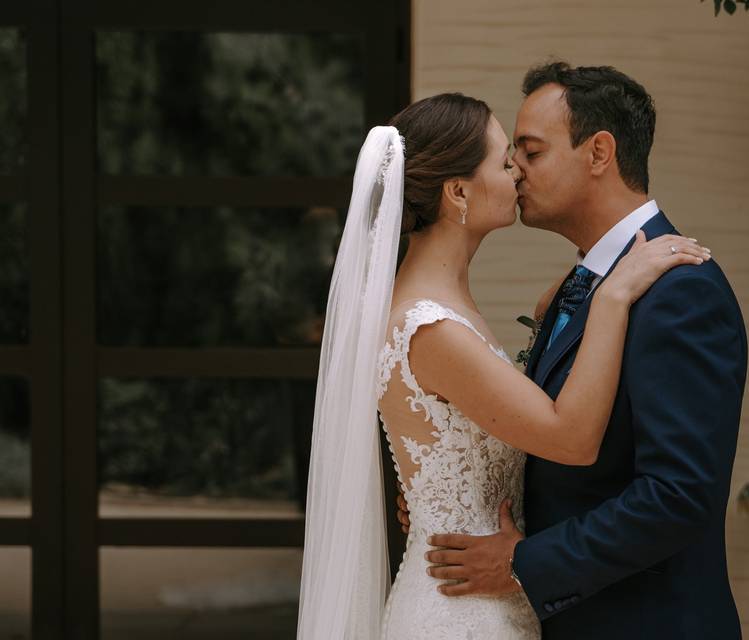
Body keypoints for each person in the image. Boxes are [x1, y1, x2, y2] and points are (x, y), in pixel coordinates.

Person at [295, 89, 710, 639]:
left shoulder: (444, 306)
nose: (516, 169)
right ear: (459, 191)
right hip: (462, 610)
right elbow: (571, 438)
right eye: (503, 157)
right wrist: (611, 299)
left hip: (482, 594)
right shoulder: (432, 326)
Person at [402, 62, 749, 639]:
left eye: (532, 153)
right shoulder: (586, 283)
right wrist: (447, 500)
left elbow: (681, 496)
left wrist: (524, 564)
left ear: (599, 153)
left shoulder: (679, 291)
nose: (514, 169)